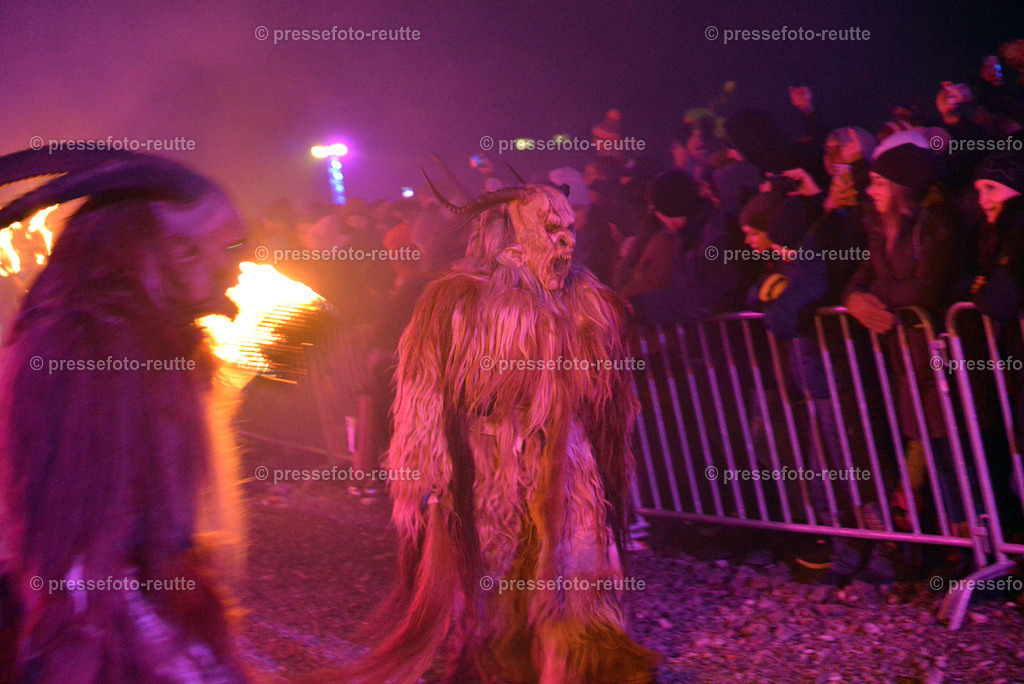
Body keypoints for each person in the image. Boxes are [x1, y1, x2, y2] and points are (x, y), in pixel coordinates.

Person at [0, 148, 250, 682]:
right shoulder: (90, 349)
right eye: (229, 247)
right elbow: (71, 558)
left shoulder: (151, 343)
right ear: (178, 252)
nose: (239, 268)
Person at [842, 133, 961, 582]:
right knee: (925, 450)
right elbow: (861, 276)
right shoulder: (879, 226)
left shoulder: (936, 222)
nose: (869, 191)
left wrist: (877, 298)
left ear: (901, 186)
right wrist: (854, 298)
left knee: (953, 455)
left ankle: (975, 557)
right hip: (907, 365)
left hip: (944, 363)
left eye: (877, 182)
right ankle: (934, 555)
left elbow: (928, 290)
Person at [627, 170, 744, 325]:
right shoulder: (687, 238)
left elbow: (710, 299)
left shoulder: (715, 236)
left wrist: (644, 307)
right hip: (713, 337)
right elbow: (685, 291)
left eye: (658, 210)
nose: (658, 217)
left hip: (734, 337)